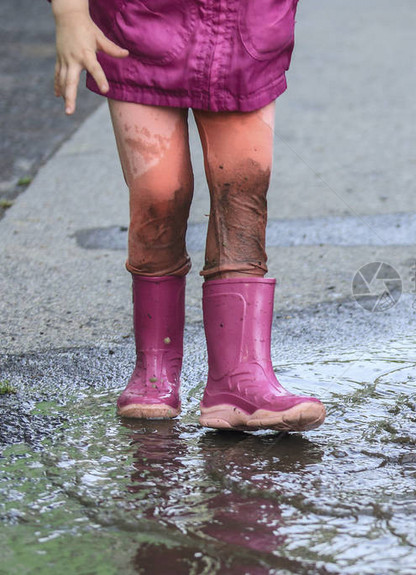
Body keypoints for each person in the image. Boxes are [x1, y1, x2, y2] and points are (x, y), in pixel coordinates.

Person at [51, 0, 326, 432]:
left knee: (244, 189)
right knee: (159, 193)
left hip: (245, 28)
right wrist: (70, 15)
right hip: (140, 26)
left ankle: (239, 380)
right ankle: (154, 369)